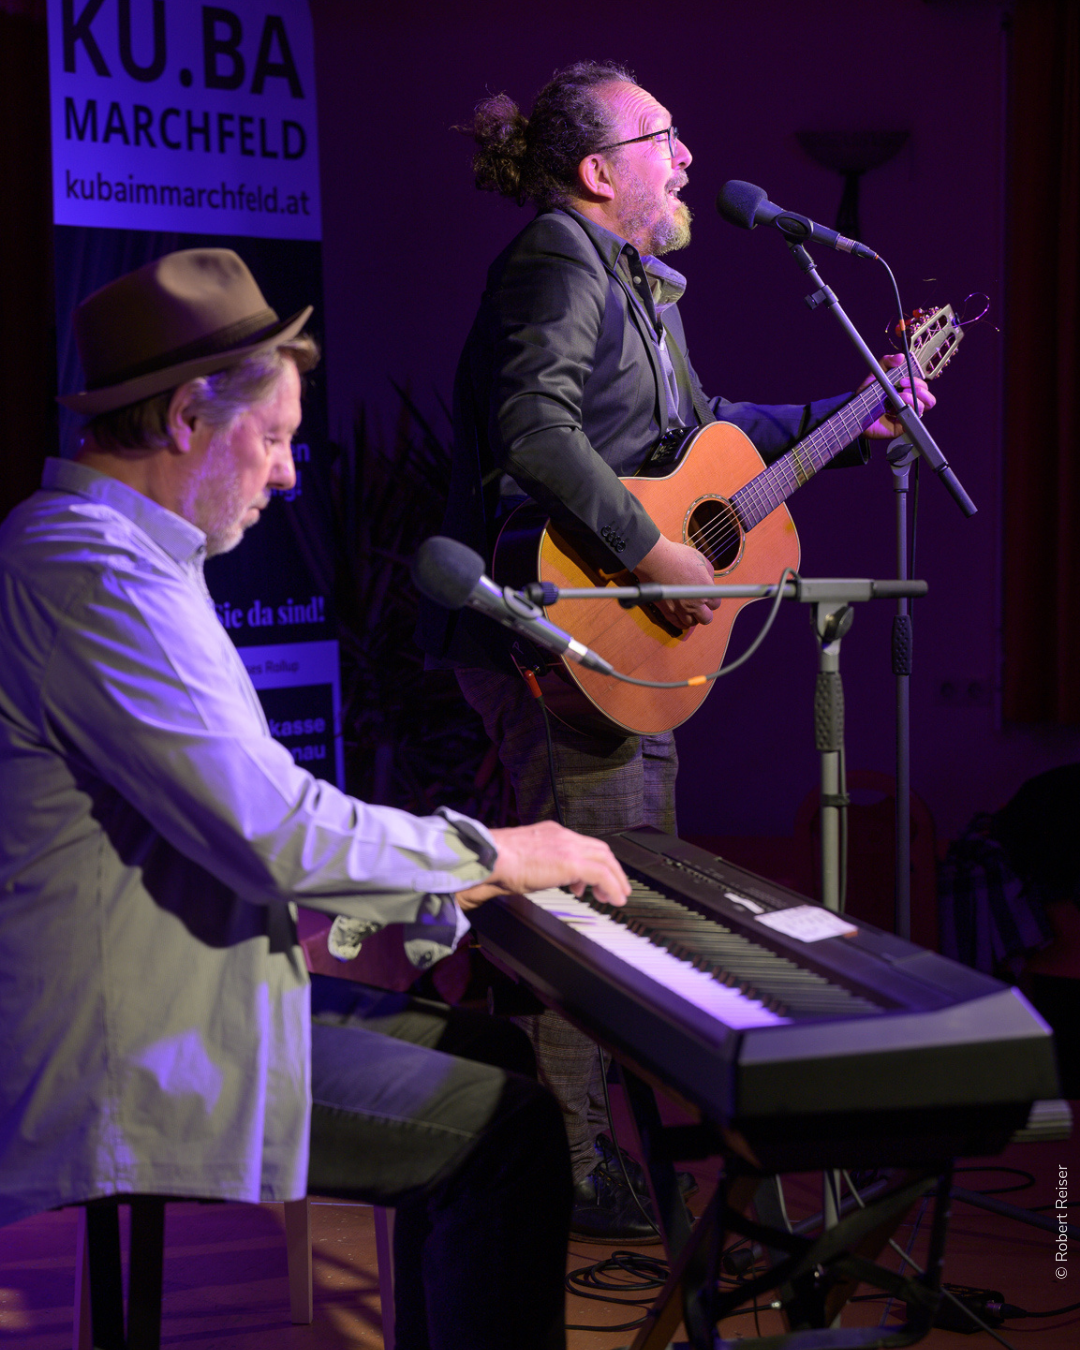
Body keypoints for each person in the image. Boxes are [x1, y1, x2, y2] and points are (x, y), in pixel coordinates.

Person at [0, 247, 632, 1350]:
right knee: (510, 1136)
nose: (292, 475)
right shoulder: (87, 568)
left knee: (491, 1060)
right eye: (280, 437)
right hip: (134, 1051)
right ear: (192, 414)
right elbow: (270, 830)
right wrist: (503, 854)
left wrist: (447, 889)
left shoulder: (128, 560)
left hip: (195, 1003)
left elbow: (241, 816)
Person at [417, 61, 935, 1243]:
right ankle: (561, 1167)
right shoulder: (557, 257)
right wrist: (650, 553)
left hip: (614, 650)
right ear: (600, 172)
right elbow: (534, 432)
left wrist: (857, 417)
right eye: (663, 136)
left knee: (624, 886)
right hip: (548, 629)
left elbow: (711, 440)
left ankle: (539, 1134)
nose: (689, 156)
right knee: (587, 904)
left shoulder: (641, 285)